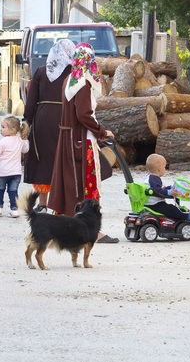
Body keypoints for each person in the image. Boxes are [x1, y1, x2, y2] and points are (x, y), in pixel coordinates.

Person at [47, 42, 118, 243]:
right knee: (86, 183)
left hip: (69, 139)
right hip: (81, 140)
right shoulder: (83, 83)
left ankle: (61, 227)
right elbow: (84, 114)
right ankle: (91, 231)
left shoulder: (70, 79)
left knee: (69, 183)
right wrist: (102, 132)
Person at [23, 39, 75, 213]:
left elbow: (31, 101)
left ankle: (43, 204)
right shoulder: (74, 73)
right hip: (66, 119)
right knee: (63, 160)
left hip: (43, 119)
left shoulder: (41, 71)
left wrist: (27, 121)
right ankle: (61, 205)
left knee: (43, 160)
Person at [0, 116, 30, 217]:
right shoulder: (20, 140)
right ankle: (14, 210)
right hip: (16, 173)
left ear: (12, 130)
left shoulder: (2, 142)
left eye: (3, 127)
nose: (0, 129)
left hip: (3, 172)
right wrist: (25, 140)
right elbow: (26, 150)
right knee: (13, 191)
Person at [144, 154, 190, 221]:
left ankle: (184, 212)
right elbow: (158, 191)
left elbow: (161, 189)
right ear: (160, 168)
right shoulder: (154, 178)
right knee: (171, 209)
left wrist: (170, 188)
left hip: (153, 204)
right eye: (165, 167)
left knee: (171, 207)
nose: (165, 169)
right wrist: (170, 192)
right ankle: (187, 216)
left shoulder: (150, 177)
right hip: (155, 205)